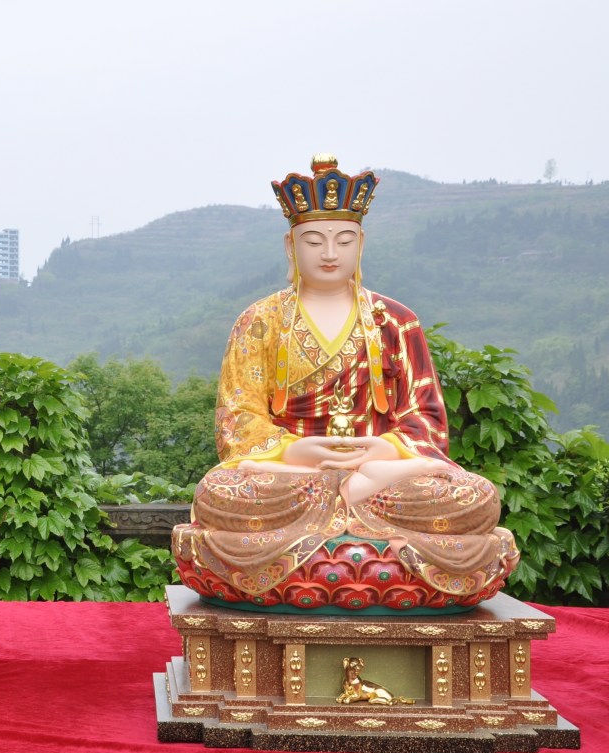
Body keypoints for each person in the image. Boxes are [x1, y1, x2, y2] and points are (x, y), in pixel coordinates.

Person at [173, 154, 518, 612]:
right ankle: (353, 511)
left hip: (381, 476)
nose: (330, 253)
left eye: (344, 240)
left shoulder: (396, 321)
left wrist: (382, 451)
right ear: (291, 245)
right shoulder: (260, 321)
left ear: (361, 244)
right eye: (314, 240)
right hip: (293, 478)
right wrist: (297, 452)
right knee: (217, 495)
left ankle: (347, 506)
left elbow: (427, 419)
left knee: (476, 498)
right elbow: (237, 421)